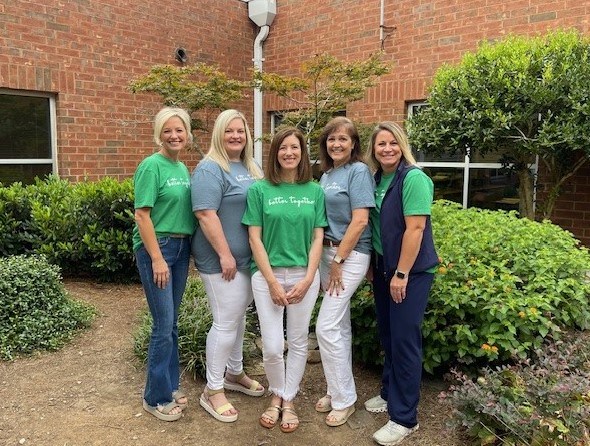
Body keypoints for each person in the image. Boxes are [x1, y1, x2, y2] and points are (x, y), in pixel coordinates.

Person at [242, 127, 327, 433]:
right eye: (283, 148)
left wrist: (307, 279)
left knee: (300, 340)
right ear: (275, 153)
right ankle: (277, 391)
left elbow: (318, 238)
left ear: (303, 153)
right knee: (274, 346)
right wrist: (273, 283)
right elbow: (255, 239)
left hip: (305, 274)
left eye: (295, 148)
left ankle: (286, 399)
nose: (289, 153)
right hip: (268, 276)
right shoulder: (259, 190)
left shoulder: (315, 191)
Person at [364, 122, 438, 445]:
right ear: (374, 149)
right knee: (389, 335)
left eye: (393, 143)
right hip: (384, 270)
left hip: (410, 273)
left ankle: (404, 418)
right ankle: (389, 393)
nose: (387, 149)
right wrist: (374, 266)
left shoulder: (414, 178)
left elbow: (415, 230)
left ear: (402, 145)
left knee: (405, 341)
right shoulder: (377, 180)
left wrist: (402, 274)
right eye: (381, 144)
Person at [191, 109, 265, 423]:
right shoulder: (210, 168)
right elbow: (206, 214)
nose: (235, 136)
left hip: (249, 259)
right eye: (228, 131)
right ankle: (213, 389)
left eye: (240, 131)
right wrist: (225, 254)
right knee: (224, 321)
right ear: (218, 134)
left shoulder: (251, 166)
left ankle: (234, 373)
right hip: (222, 261)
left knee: (237, 318)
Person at [133, 107, 197, 422]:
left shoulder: (182, 168)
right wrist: (157, 257)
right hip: (158, 248)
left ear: (187, 134)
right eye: (168, 130)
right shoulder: (151, 166)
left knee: (171, 324)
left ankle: (170, 385)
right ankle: (154, 397)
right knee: (162, 325)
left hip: (181, 247)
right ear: (159, 133)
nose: (174, 135)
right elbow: (142, 215)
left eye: (179, 130)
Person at [313, 117, 375, 427]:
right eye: (331, 139)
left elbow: (361, 220)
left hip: (348, 256)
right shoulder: (327, 175)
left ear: (353, 144)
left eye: (343, 139)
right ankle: (336, 387)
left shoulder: (359, 172)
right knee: (340, 326)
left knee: (325, 326)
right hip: (327, 253)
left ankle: (345, 400)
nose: (336, 144)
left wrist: (338, 260)